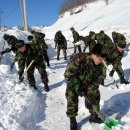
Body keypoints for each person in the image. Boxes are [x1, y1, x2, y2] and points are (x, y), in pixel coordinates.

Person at [64, 44, 108, 130]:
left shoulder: (101, 64)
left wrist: (90, 94)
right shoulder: (79, 59)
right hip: (74, 81)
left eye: (103, 59)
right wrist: (77, 87)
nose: (102, 61)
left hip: (89, 82)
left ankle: (94, 115)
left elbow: (99, 78)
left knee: (95, 93)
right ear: (94, 55)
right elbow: (68, 75)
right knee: (71, 96)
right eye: (100, 59)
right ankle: (72, 119)